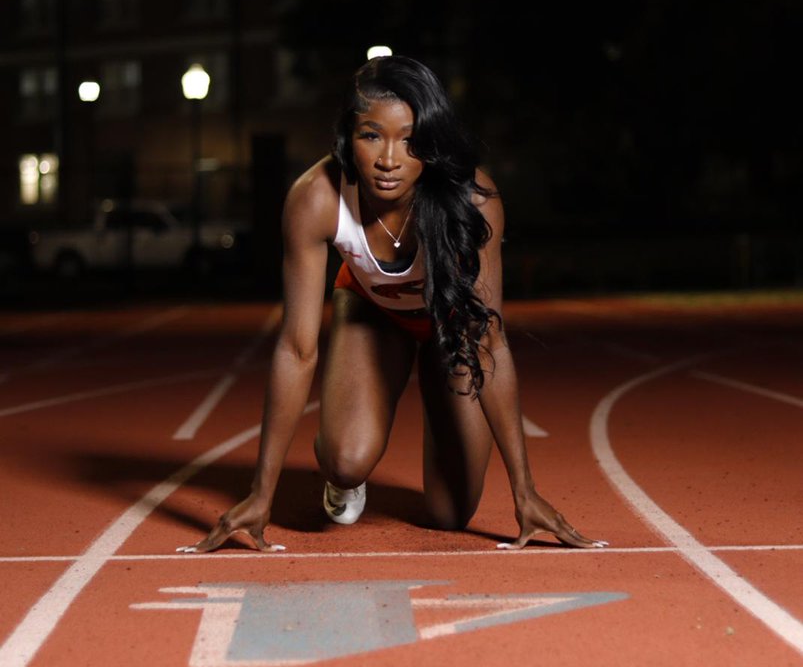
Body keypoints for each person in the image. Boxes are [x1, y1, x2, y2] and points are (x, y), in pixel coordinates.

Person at [182, 55, 607, 554]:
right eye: (371, 135)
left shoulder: (474, 200)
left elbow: (490, 340)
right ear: (347, 136)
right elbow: (296, 350)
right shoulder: (316, 198)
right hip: (373, 316)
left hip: (449, 327)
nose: (389, 159)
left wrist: (525, 491)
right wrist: (261, 494)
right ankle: (342, 466)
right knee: (347, 459)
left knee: (450, 515)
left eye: (410, 140)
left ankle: (436, 390)